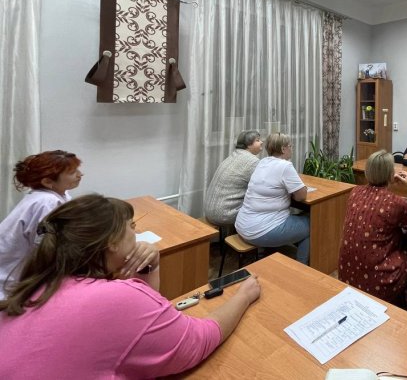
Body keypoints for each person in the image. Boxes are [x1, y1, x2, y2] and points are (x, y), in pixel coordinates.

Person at [0, 194, 261, 378]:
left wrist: (150, 266)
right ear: (112, 242)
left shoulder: (38, 285)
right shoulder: (115, 298)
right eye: (131, 227)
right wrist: (244, 295)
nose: (136, 233)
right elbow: (198, 341)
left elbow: (146, 324)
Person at [339, 150, 407, 308]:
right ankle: (403, 304)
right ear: (390, 174)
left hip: (347, 274)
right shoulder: (396, 203)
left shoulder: (355, 192)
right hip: (377, 282)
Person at [0, 150, 83, 299]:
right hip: (11, 285)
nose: (80, 174)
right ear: (48, 182)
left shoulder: (59, 195)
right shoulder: (46, 202)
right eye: (72, 172)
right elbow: (47, 249)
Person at [235, 132, 310, 264]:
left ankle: (267, 254)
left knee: (298, 218)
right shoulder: (285, 166)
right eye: (290, 146)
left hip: (242, 225)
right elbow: (301, 196)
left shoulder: (262, 162)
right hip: (260, 231)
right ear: (283, 149)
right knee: (313, 224)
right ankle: (301, 268)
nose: (292, 149)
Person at [204, 130, 263, 226]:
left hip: (209, 210)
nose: (261, 142)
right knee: (265, 205)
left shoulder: (234, 155)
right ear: (248, 145)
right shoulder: (252, 161)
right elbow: (262, 186)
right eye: (258, 140)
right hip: (224, 215)